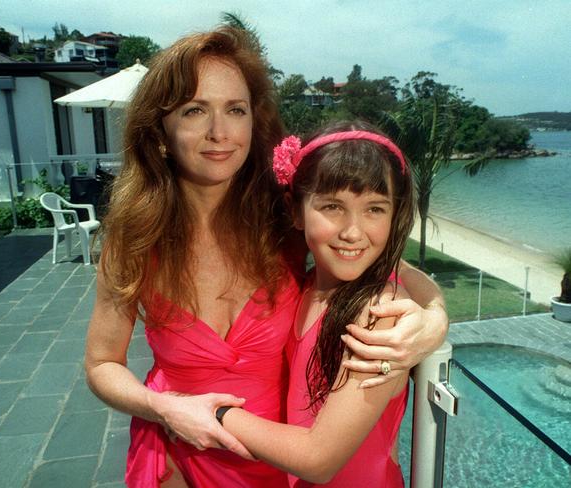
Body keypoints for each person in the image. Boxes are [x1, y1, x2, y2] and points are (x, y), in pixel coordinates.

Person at [84, 27, 448, 488]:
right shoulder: (134, 239)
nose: (220, 132)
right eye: (195, 110)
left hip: (278, 463)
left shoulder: (281, 219)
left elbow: (379, 260)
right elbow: (101, 364)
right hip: (178, 454)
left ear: (253, 121)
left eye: (235, 110)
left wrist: (435, 319)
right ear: (160, 129)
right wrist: (164, 408)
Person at [220, 120, 415, 487]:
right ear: (296, 211)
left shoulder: (378, 313)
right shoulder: (306, 288)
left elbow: (319, 459)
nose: (353, 231)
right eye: (332, 206)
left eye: (375, 209)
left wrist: (216, 413)